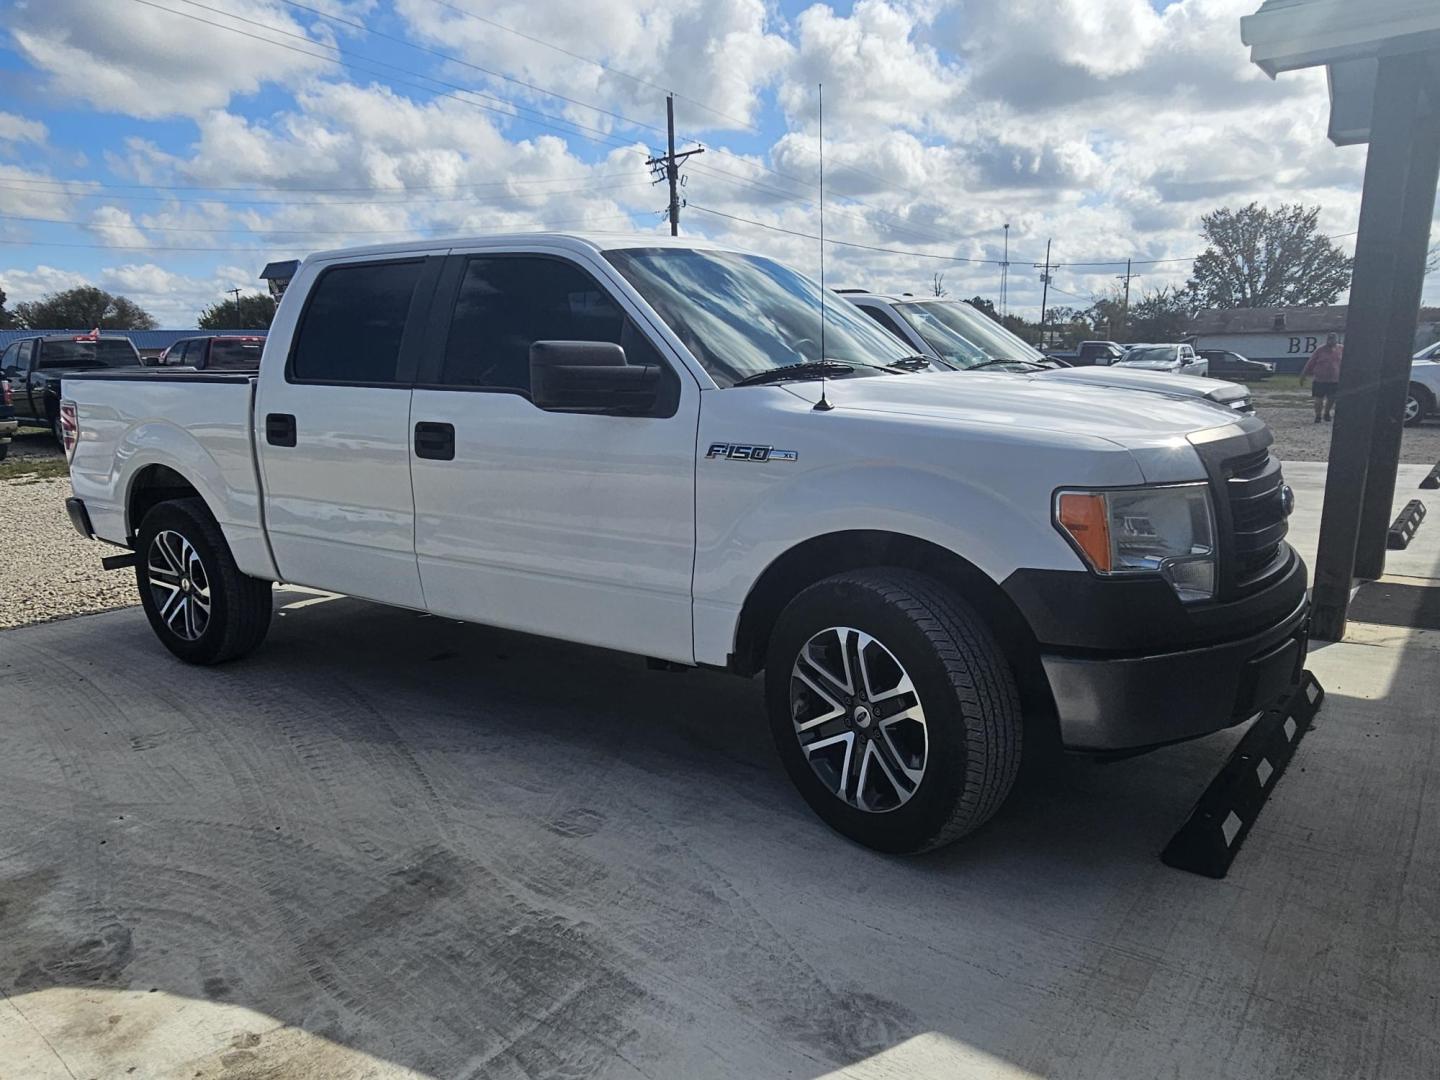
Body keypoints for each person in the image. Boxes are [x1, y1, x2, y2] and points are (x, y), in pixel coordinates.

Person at [1302, 332, 1343, 423]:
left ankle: (1327, 413)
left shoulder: (1341, 349)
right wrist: (1303, 375)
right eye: (1330, 339)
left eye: (1333, 339)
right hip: (1320, 379)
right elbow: (1310, 362)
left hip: (1334, 380)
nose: (1331, 341)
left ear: (1337, 340)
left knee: (1332, 398)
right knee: (1318, 399)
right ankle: (1318, 415)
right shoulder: (1320, 350)